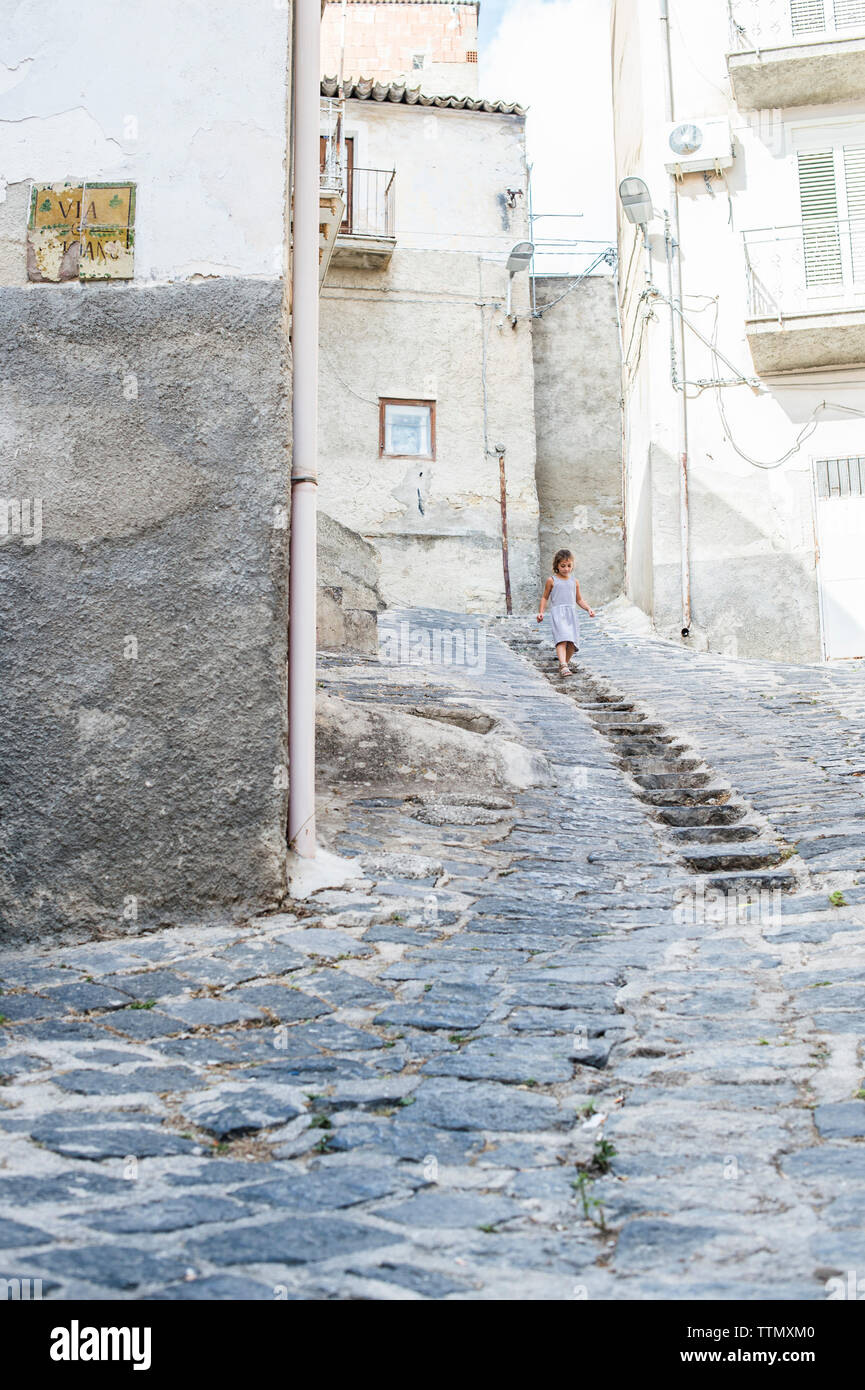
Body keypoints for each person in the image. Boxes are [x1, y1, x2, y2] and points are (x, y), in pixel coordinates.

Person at [536, 549, 596, 677]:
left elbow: (578, 599)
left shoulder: (574, 582)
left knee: (572, 644)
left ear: (572, 566)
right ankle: (563, 665)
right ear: (557, 565)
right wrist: (541, 612)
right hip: (558, 613)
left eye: (569, 566)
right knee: (562, 640)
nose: (566, 569)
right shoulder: (551, 580)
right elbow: (545, 597)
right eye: (563, 566)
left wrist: (588, 608)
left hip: (571, 614)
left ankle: (564, 664)